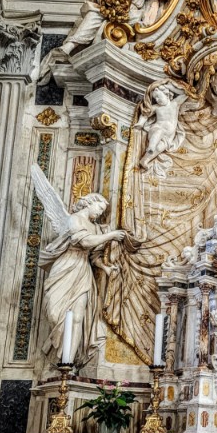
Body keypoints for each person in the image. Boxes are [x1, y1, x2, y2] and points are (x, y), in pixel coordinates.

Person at [38, 193, 126, 368]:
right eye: (100, 208)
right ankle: (58, 353)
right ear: (89, 203)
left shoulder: (94, 227)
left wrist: (105, 267)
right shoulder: (74, 220)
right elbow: (85, 242)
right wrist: (111, 235)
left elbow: (92, 255)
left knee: (78, 317)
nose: (100, 213)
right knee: (55, 314)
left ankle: (68, 363)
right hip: (66, 266)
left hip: (83, 270)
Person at [138, 81, 188, 173]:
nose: (157, 100)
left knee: (160, 148)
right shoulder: (156, 107)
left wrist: (172, 87)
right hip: (157, 129)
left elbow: (186, 93)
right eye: (155, 98)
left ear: (167, 94)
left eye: (158, 96)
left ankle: (144, 160)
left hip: (168, 137)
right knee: (158, 133)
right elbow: (145, 114)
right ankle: (151, 147)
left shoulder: (175, 103)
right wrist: (140, 123)